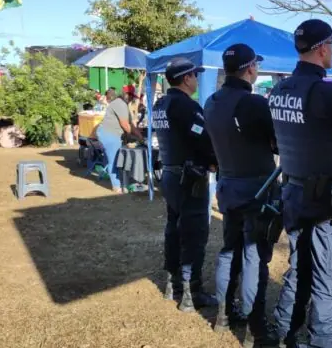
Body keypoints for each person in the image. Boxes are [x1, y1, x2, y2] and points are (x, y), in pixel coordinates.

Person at [266, 19, 332, 348]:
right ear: (323, 49)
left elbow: (277, 142)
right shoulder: (329, 92)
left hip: (294, 191)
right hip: (327, 199)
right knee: (327, 278)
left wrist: (331, 131)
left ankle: (283, 332)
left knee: (299, 267)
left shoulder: (279, 90)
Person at [203, 44, 279, 346]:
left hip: (227, 184)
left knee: (229, 250)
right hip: (256, 187)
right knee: (254, 257)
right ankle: (254, 327)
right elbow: (276, 142)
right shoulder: (253, 103)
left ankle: (223, 314)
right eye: (256, 66)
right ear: (250, 69)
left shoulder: (211, 101)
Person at [150, 57, 218, 312]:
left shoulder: (161, 104)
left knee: (173, 230)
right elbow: (204, 138)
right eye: (195, 76)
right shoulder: (186, 106)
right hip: (189, 178)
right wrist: (214, 161)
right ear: (187, 78)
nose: (197, 80)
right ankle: (191, 293)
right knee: (194, 235)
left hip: (170, 174)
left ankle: (173, 284)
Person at [96, 87, 144, 193]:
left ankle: (122, 183)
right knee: (113, 160)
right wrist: (137, 137)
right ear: (125, 94)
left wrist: (139, 136)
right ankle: (116, 186)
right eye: (130, 96)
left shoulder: (123, 105)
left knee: (116, 159)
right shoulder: (120, 104)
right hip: (109, 133)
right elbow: (125, 125)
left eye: (133, 97)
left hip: (112, 133)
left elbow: (131, 124)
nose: (132, 99)